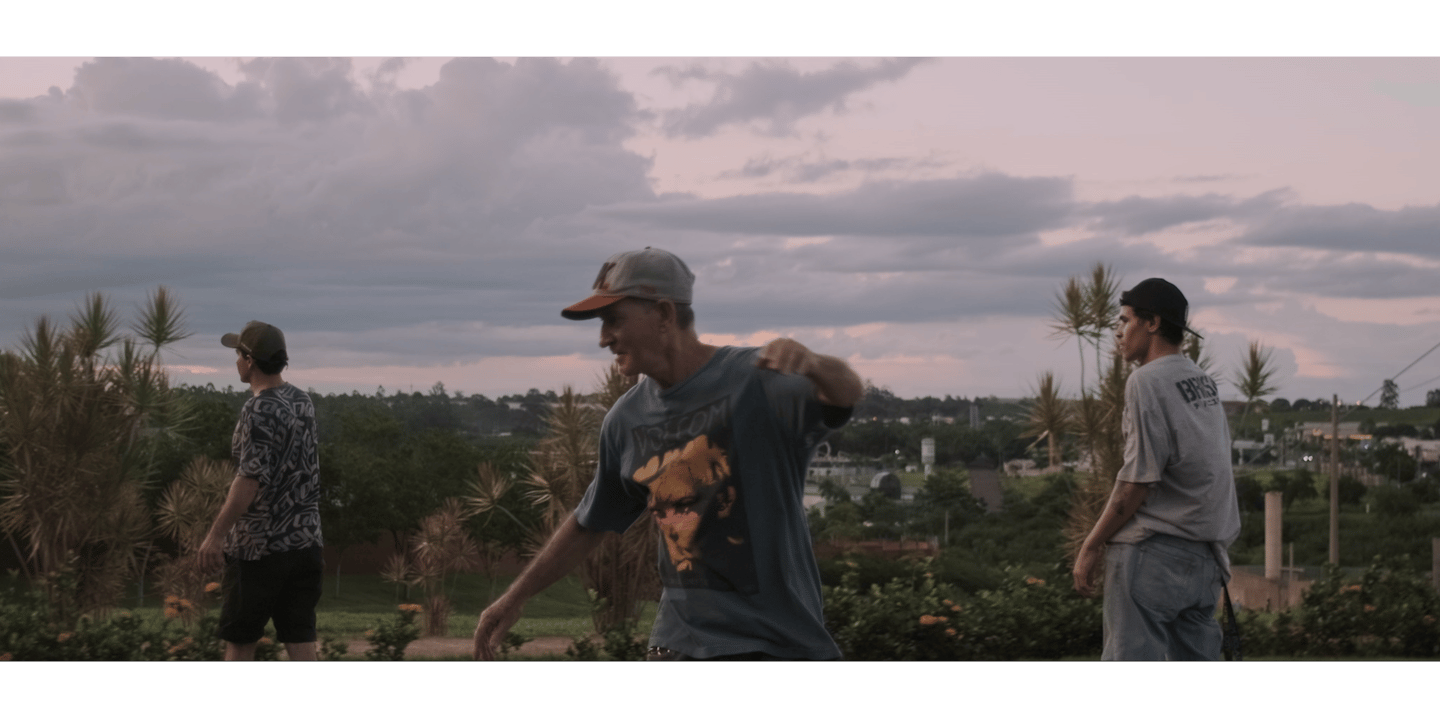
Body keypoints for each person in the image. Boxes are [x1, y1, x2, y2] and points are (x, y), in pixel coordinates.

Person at [472, 247, 864, 661]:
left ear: (662, 314)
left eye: (613, 320)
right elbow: (590, 522)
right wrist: (512, 599)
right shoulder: (626, 419)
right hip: (678, 648)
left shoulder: (757, 381)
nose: (604, 338)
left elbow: (846, 394)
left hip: (777, 648)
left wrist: (816, 363)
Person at [1071, 278, 1242, 660]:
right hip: (1205, 559)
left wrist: (1092, 544)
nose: (1118, 332)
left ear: (1151, 324)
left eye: (1125, 320)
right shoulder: (1202, 382)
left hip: (1152, 556)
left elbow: (1136, 481)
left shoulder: (1145, 381)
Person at [197, 321, 324, 661]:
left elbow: (249, 479)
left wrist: (216, 536)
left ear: (250, 360)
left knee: (240, 641)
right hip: (305, 544)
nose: (236, 361)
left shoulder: (257, 410)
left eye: (238, 354)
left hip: (260, 549)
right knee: (300, 641)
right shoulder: (303, 401)